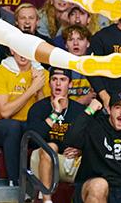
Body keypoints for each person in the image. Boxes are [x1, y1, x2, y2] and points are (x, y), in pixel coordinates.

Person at [0, 49, 50, 184]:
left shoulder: (43, 74)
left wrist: (39, 90)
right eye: (18, 48)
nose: (23, 52)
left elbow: (45, 112)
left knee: (43, 129)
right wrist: (32, 89)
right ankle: (15, 181)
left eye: (25, 48)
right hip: (0, 127)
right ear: (11, 50)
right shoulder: (0, 72)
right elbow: (5, 112)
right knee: (14, 126)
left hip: (29, 126)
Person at [64, 93, 121, 203]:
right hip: (91, 186)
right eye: (117, 107)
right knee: (100, 185)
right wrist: (90, 110)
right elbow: (70, 140)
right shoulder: (96, 126)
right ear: (109, 110)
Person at [27, 68, 84, 202]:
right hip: (42, 158)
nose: (58, 84)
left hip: (72, 159)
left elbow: (90, 138)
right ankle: (47, 200)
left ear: (70, 84)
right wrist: (55, 113)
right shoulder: (38, 108)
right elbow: (33, 139)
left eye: (62, 80)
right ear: (49, 83)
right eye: (54, 79)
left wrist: (80, 149)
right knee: (51, 146)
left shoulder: (79, 110)